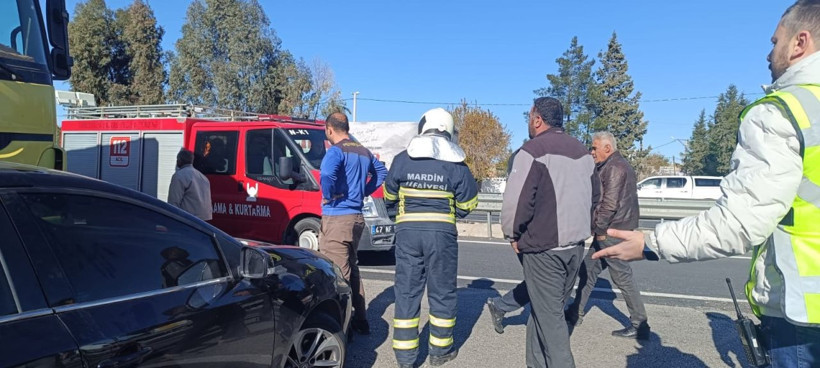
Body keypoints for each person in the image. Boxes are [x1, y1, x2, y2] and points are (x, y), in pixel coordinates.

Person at [593, 1, 820, 366]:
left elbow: (739, 222)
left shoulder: (785, 111)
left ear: (799, 43)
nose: (768, 52)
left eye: (775, 41)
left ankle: (637, 321)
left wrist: (653, 242)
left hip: (804, 317)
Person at [501, 97, 598, 368]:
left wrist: (512, 235)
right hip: (574, 248)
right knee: (543, 312)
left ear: (537, 119)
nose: (529, 122)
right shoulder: (581, 151)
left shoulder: (532, 150)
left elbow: (515, 202)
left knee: (552, 322)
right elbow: (596, 198)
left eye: (529, 116)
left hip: (543, 250)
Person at [383, 107, 478, 368]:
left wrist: (400, 217)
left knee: (406, 293)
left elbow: (389, 196)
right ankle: (439, 352)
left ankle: (405, 358)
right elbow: (469, 202)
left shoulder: (402, 159)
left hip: (407, 235)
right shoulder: (456, 164)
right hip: (442, 237)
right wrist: (450, 214)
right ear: (447, 130)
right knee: (442, 293)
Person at [565, 131, 649, 339]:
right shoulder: (612, 165)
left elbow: (608, 205)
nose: (591, 151)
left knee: (622, 277)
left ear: (607, 148)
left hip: (612, 231)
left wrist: (598, 231)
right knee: (588, 271)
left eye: (594, 148)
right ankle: (576, 312)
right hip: (611, 229)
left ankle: (640, 324)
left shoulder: (614, 168)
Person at [319, 112, 388, 336]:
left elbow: (327, 174)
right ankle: (360, 319)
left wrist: (329, 195)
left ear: (330, 129)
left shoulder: (335, 151)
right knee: (351, 266)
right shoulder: (362, 150)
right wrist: (363, 192)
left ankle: (343, 327)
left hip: (337, 217)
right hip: (357, 217)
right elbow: (381, 171)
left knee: (338, 274)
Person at [168, 149, 212, 222]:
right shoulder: (203, 178)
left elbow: (174, 202)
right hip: (204, 221)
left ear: (180, 160)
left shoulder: (179, 176)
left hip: (188, 220)